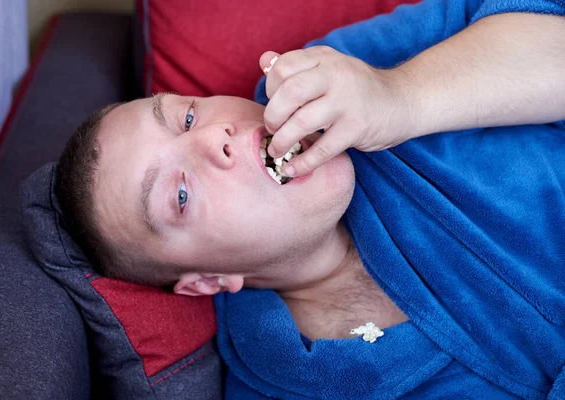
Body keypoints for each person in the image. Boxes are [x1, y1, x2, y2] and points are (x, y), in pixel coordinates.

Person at [56, 0, 565, 398]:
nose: (216, 138)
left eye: (187, 117)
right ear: (208, 281)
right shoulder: (288, 382)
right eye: (182, 194)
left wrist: (400, 94)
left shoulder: (330, 76)